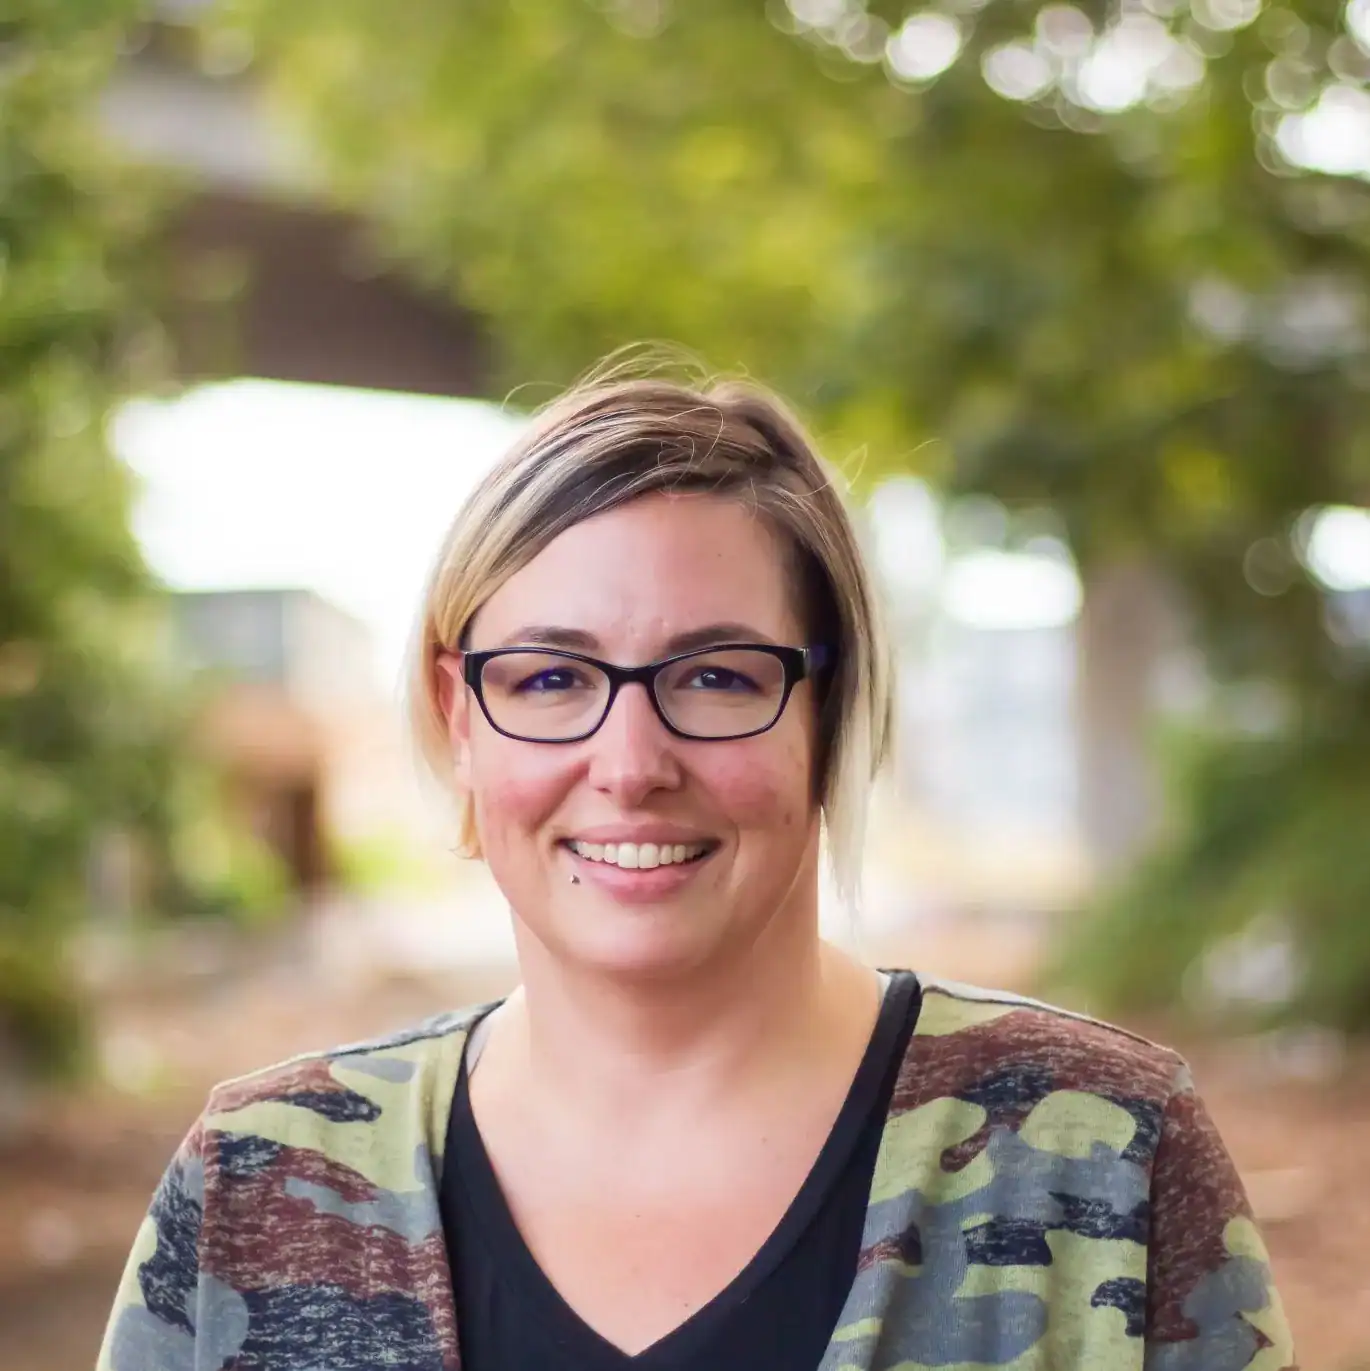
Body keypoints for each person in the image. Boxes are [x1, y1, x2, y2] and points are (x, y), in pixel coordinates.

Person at [98, 364, 1296, 1371]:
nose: (628, 764)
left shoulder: (1098, 1152)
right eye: (550, 677)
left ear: (827, 714)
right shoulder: (254, 1185)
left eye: (717, 676)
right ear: (454, 712)